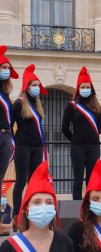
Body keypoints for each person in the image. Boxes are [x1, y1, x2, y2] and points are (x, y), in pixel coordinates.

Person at [0, 161, 74, 251]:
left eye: (49, 202)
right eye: (37, 202)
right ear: (26, 208)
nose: (43, 207)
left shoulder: (66, 243)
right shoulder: (9, 247)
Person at [12, 64, 48, 226]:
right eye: (33, 85)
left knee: (34, 182)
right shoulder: (19, 104)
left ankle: (32, 212)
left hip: (37, 147)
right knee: (20, 182)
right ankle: (16, 216)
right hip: (23, 146)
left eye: (38, 85)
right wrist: (13, 143)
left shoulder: (37, 104)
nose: (36, 88)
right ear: (26, 87)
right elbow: (8, 125)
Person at [62, 66, 101, 200]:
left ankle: (90, 206)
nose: (86, 90)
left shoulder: (97, 106)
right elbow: (65, 128)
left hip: (94, 147)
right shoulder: (72, 106)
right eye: (83, 87)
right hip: (77, 147)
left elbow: (99, 128)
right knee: (78, 180)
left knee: (92, 180)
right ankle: (77, 208)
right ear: (78, 89)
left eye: (88, 87)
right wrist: (75, 139)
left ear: (91, 89)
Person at [0, 45, 18, 216]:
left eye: (7, 68)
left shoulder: (6, 94)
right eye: (3, 67)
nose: (6, 71)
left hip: (6, 136)